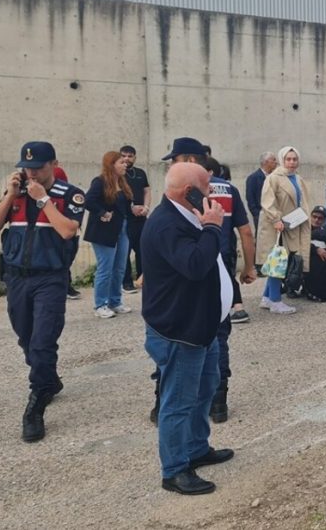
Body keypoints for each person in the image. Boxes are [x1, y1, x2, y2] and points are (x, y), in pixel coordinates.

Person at [141, 161, 234, 496]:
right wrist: (211, 227)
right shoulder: (167, 224)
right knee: (178, 401)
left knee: (205, 388)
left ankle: (197, 447)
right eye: (206, 188)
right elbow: (195, 265)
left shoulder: (187, 215)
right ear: (188, 192)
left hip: (202, 326)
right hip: (179, 330)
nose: (210, 194)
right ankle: (175, 469)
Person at [0, 142, 84, 442]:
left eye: (39, 167)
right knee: (26, 337)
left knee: (42, 342)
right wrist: (11, 196)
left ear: (54, 163)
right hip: (16, 279)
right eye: (27, 167)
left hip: (50, 279)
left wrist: (43, 201)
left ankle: (36, 405)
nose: (32, 173)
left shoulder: (70, 195)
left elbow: (68, 230)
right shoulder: (17, 193)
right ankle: (49, 379)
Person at [202, 157, 257, 421]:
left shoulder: (180, 189)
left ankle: (165, 400)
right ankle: (219, 402)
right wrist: (249, 267)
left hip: (191, 269)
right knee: (219, 334)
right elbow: (246, 232)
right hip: (222, 267)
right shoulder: (229, 189)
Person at [257, 146, 313, 314]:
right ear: (282, 160)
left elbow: (303, 202)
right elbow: (267, 201)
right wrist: (276, 219)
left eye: (294, 159)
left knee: (280, 261)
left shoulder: (298, 178)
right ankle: (275, 300)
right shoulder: (274, 178)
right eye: (288, 159)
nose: (291, 162)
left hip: (292, 224)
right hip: (278, 227)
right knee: (278, 262)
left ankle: (267, 297)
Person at [84, 151, 134, 319]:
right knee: (105, 268)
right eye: (121, 162)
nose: (125, 164)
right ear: (111, 164)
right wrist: (102, 212)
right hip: (103, 231)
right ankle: (101, 304)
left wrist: (135, 209)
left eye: (126, 162)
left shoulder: (122, 182)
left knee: (120, 268)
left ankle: (115, 301)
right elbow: (88, 200)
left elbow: (125, 206)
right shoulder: (100, 182)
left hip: (122, 228)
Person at [120, 145, 151, 293]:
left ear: (135, 157)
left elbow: (147, 191)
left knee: (143, 249)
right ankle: (126, 282)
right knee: (124, 251)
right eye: (124, 155)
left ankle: (143, 279)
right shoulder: (118, 174)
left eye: (130, 156)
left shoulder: (140, 173)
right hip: (126, 218)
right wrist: (131, 207)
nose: (127, 158)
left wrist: (146, 208)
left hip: (141, 219)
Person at [53, 162, 83, 301]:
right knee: (63, 262)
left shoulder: (68, 192)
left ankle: (67, 286)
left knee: (66, 262)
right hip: (58, 234)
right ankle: (65, 287)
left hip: (68, 231)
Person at [245, 152, 277, 235]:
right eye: (273, 160)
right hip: (261, 215)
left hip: (274, 216)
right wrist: (257, 215)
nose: (276, 162)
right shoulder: (253, 178)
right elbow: (250, 198)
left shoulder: (275, 177)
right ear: (266, 162)